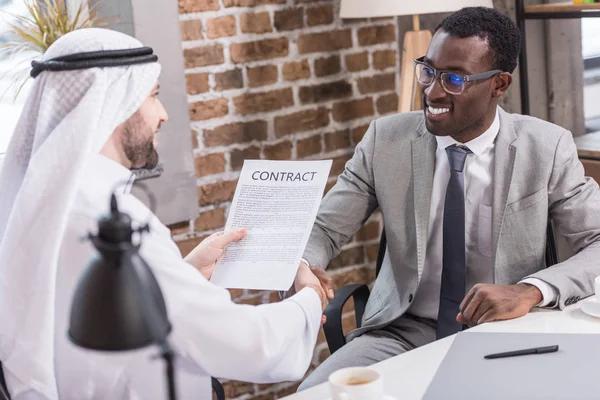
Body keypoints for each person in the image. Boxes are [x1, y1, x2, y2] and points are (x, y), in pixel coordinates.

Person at [0, 28, 329, 400]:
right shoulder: (112, 224)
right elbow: (248, 343)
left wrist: (186, 271)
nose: (164, 114)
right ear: (115, 104)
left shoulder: (45, 204)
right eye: (154, 96)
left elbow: (117, 306)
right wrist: (309, 298)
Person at [297, 6, 600, 390]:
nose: (432, 91)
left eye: (454, 79)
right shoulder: (384, 141)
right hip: (400, 333)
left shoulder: (547, 146)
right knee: (316, 394)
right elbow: (324, 227)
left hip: (508, 330)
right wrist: (303, 263)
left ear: (499, 84)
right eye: (429, 71)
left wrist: (528, 290)